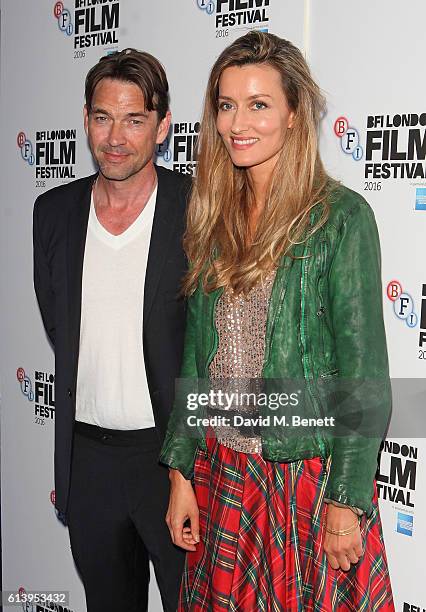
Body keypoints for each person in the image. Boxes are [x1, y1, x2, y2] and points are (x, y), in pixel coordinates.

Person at [159, 31, 394, 610]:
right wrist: (181, 471)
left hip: (305, 477)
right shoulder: (216, 216)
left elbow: (364, 377)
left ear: (294, 115)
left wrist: (347, 499)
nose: (238, 122)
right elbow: (196, 356)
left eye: (259, 104)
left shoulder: (339, 218)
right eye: (226, 104)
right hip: (225, 474)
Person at [33, 48, 190, 611]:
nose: (115, 137)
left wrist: (185, 468)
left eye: (134, 119)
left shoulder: (197, 209)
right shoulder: (52, 212)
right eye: (102, 117)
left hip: (172, 462)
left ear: (163, 125)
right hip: (88, 460)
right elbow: (59, 321)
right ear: (85, 118)